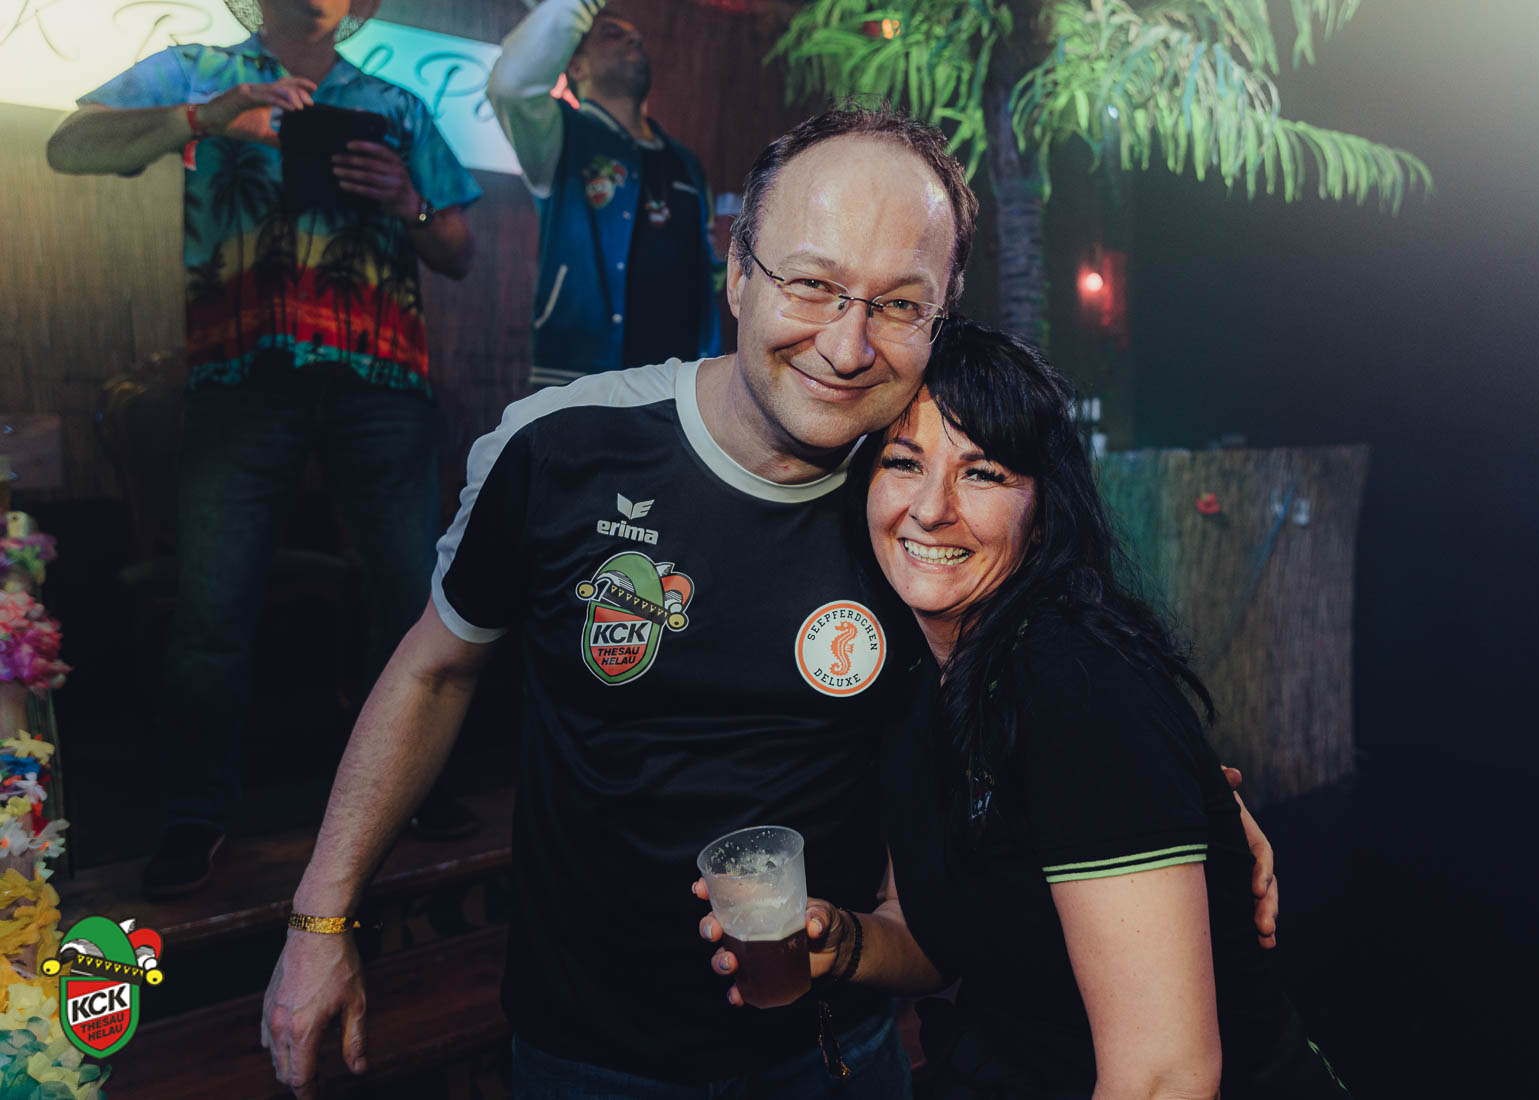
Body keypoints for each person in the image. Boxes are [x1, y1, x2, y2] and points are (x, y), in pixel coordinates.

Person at [261, 106, 1274, 1099]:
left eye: (898, 304)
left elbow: (1049, 689)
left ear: (940, 318)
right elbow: (434, 673)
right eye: (812, 284)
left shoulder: (912, 506)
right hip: (585, 1053)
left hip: (837, 1049)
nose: (846, 345)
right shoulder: (561, 447)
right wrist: (320, 918)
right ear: (738, 273)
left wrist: (1187, 807)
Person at [699, 321, 1344, 1099]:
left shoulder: (1075, 679)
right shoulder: (919, 678)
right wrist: (842, 945)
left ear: (1042, 512)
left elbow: (1164, 1079)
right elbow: (934, 936)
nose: (931, 509)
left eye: (983, 473)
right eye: (904, 462)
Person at [46, 0, 483, 899]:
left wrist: (408, 199)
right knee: (211, 612)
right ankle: (194, 816)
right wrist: (204, 118)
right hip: (240, 376)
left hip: (381, 379)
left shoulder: (395, 103)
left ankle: (413, 792)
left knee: (412, 601)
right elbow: (69, 145)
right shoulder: (198, 70)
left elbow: (457, 251)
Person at [487, 0, 723, 388]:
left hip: (677, 388)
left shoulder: (686, 162)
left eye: (638, 39)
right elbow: (511, 87)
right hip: (581, 380)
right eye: (613, 34)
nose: (634, 41)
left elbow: (707, 273)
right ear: (576, 66)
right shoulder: (561, 134)